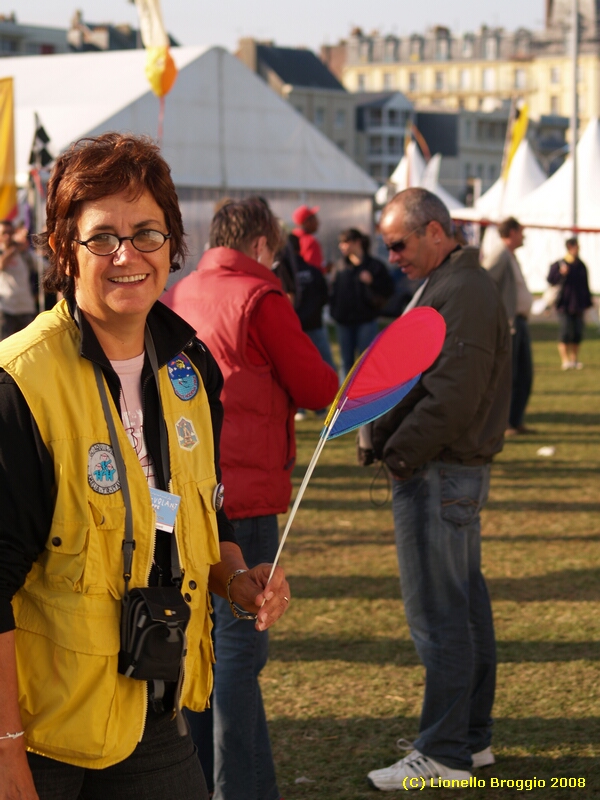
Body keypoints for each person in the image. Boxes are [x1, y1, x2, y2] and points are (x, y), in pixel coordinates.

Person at [0, 133, 290, 800]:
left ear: (174, 246)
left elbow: (194, 516)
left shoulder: (189, 370)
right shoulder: (20, 385)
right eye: (102, 237)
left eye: (148, 234)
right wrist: (7, 755)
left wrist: (240, 580)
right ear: (62, 249)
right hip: (41, 735)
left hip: (152, 711)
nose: (127, 256)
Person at [162, 198, 338, 800]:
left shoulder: (176, 294)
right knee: (237, 653)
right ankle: (234, 788)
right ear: (263, 245)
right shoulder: (261, 299)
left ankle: (236, 783)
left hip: (186, 489)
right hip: (247, 492)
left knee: (204, 646)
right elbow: (319, 385)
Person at [366, 188, 510, 791]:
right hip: (443, 469)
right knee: (463, 610)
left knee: (440, 617)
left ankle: (446, 751)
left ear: (434, 232)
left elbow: (453, 394)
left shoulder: (465, 291)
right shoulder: (453, 285)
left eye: (398, 243)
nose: (392, 255)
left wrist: (399, 455)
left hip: (438, 471)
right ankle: (468, 741)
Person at [484, 217, 535, 436]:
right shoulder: (500, 254)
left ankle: (514, 421)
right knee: (510, 376)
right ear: (512, 232)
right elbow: (484, 281)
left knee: (524, 374)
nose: (524, 236)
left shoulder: (510, 256)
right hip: (509, 325)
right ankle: (504, 423)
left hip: (519, 323)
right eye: (521, 231)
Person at [330, 227, 394, 377]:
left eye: (345, 242)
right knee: (346, 363)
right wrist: (334, 312)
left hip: (366, 320)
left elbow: (389, 288)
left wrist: (372, 282)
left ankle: (365, 397)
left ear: (357, 242)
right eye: (341, 243)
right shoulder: (340, 267)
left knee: (365, 362)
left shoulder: (374, 266)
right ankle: (345, 398)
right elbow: (332, 291)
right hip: (344, 321)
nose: (341, 246)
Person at [547, 237, 593, 370]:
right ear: (570, 247)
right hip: (564, 304)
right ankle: (565, 360)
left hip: (578, 305)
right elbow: (551, 280)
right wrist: (561, 274)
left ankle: (574, 359)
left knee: (577, 333)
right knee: (565, 332)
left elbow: (585, 285)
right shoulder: (560, 264)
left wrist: (588, 302)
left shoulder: (581, 265)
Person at [0, 219, 37, 340]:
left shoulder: (24, 254)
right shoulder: (6, 252)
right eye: (4, 233)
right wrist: (12, 250)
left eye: (11, 233)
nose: (8, 236)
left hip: (25, 308)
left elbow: (42, 266)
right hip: (6, 309)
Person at [291, 204, 327, 272]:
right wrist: (326, 270)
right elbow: (315, 270)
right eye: (314, 218)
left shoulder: (291, 238)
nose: (318, 222)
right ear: (307, 222)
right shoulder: (310, 241)